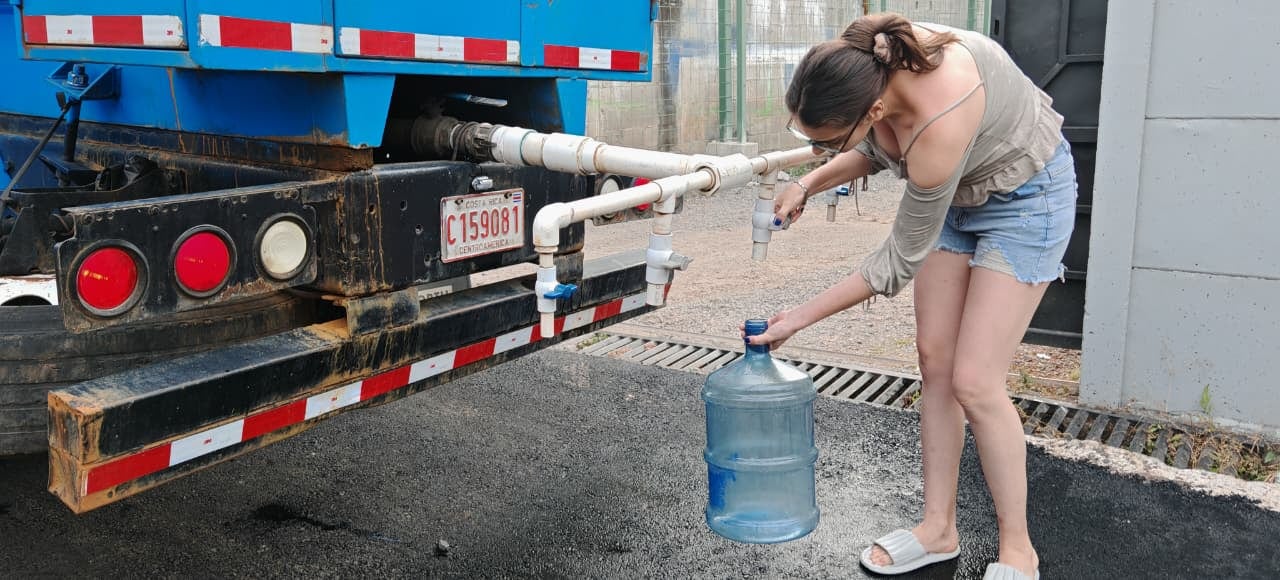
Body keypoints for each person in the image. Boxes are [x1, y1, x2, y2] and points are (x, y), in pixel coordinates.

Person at [747, 12, 1076, 580]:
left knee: (975, 381)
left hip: (1025, 198)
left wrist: (795, 319)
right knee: (935, 362)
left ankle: (1019, 550)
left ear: (872, 111)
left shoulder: (940, 119)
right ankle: (938, 529)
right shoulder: (868, 59)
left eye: (824, 142)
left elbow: (896, 262)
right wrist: (806, 182)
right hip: (954, 192)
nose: (819, 150)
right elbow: (878, 148)